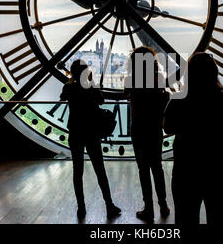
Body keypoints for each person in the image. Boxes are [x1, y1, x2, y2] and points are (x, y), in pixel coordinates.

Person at [164, 52, 223, 224]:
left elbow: (168, 127)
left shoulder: (179, 101)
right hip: (220, 170)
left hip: (186, 170)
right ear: (214, 73)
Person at [60, 59, 121, 219]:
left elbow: (63, 96)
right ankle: (109, 204)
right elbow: (101, 100)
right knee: (100, 170)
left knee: (77, 171)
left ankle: (81, 207)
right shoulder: (92, 88)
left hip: (75, 132)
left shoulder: (69, 88)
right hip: (92, 133)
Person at [124, 46, 170, 221]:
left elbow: (126, 95)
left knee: (143, 169)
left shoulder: (131, 79)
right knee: (156, 167)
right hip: (155, 127)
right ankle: (163, 204)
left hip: (139, 127)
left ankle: (148, 207)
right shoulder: (159, 79)